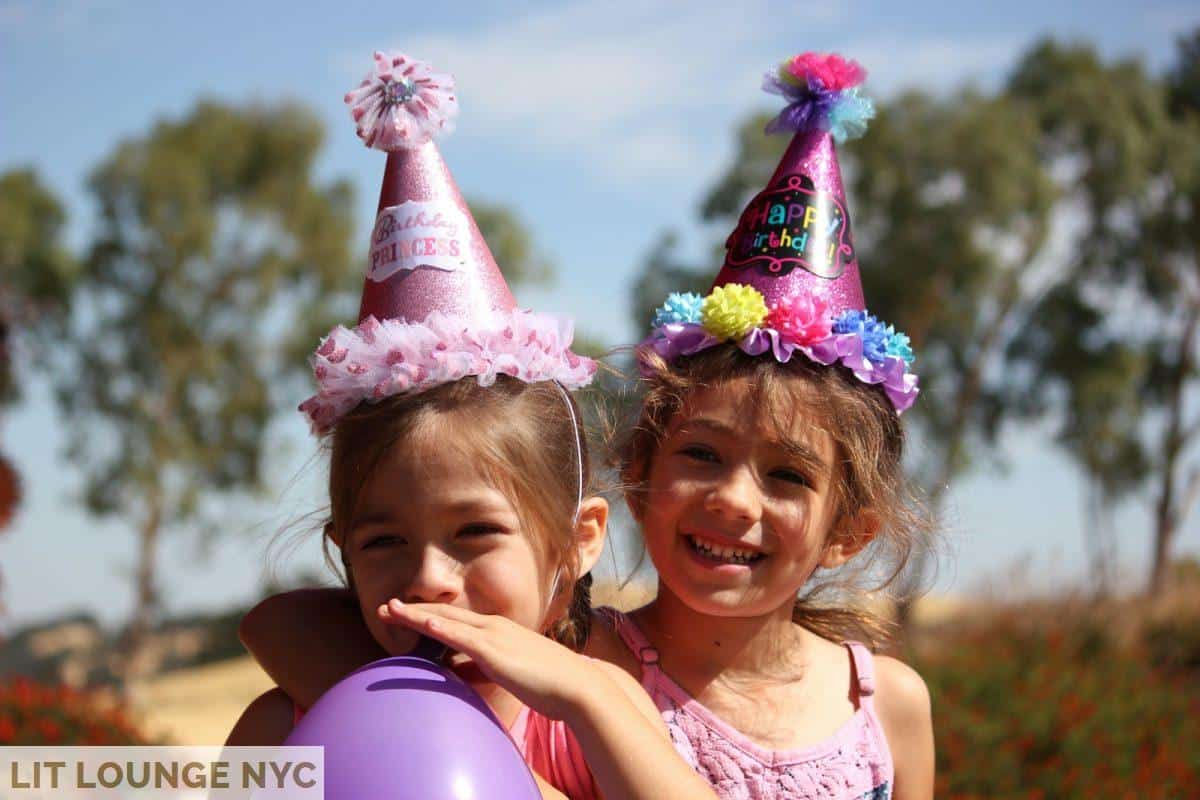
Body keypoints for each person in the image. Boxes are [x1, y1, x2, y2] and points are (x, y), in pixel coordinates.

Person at [240, 51, 937, 800]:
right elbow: (284, 624)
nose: (735, 500)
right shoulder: (589, 661)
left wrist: (585, 702)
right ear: (642, 474)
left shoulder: (591, 690)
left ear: (849, 530)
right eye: (701, 454)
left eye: (789, 474)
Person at [226, 50, 719, 800]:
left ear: (579, 539)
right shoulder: (286, 727)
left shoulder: (594, 719)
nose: (428, 580)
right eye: (384, 541)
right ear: (344, 555)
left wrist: (577, 707)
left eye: (476, 533)